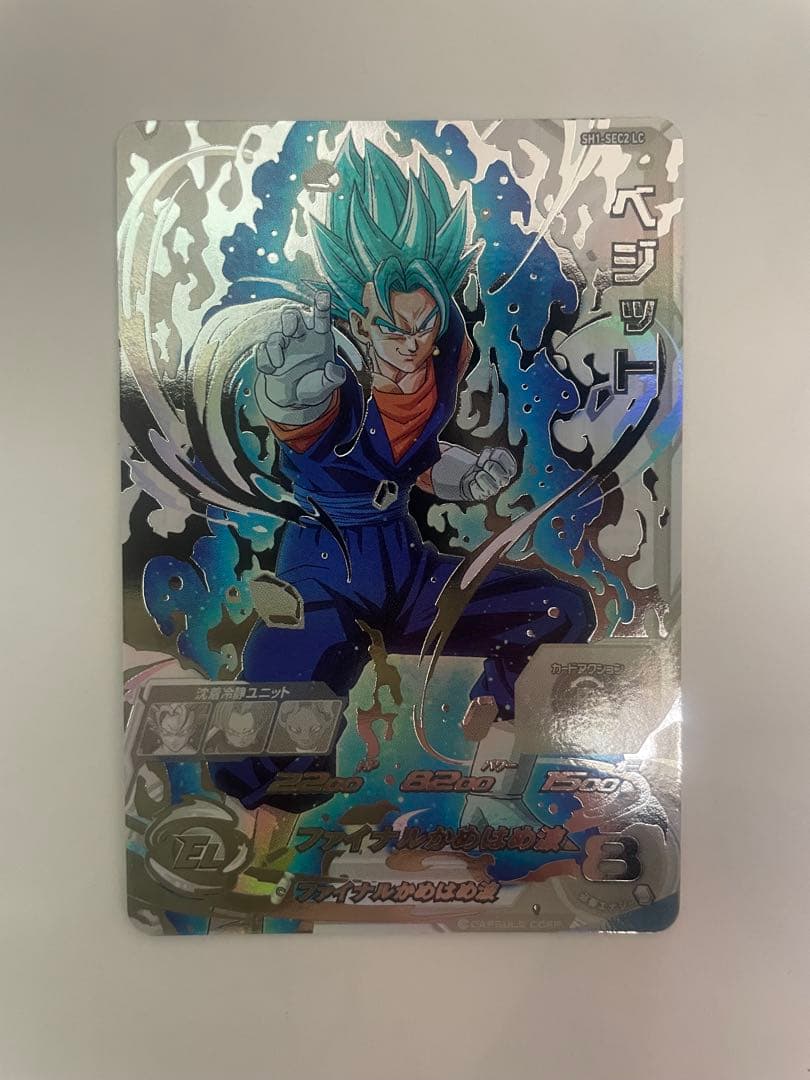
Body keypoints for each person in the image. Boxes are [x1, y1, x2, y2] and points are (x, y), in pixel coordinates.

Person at [206, 138, 595, 808]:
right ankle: (262, 825)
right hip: (326, 571)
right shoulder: (329, 381)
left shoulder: (435, 369)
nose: (412, 346)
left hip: (404, 570)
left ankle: (493, 713)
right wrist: (288, 399)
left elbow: (413, 465)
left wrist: (466, 474)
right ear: (360, 322)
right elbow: (307, 429)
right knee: (272, 736)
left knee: (560, 608)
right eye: (394, 330)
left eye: (424, 326)